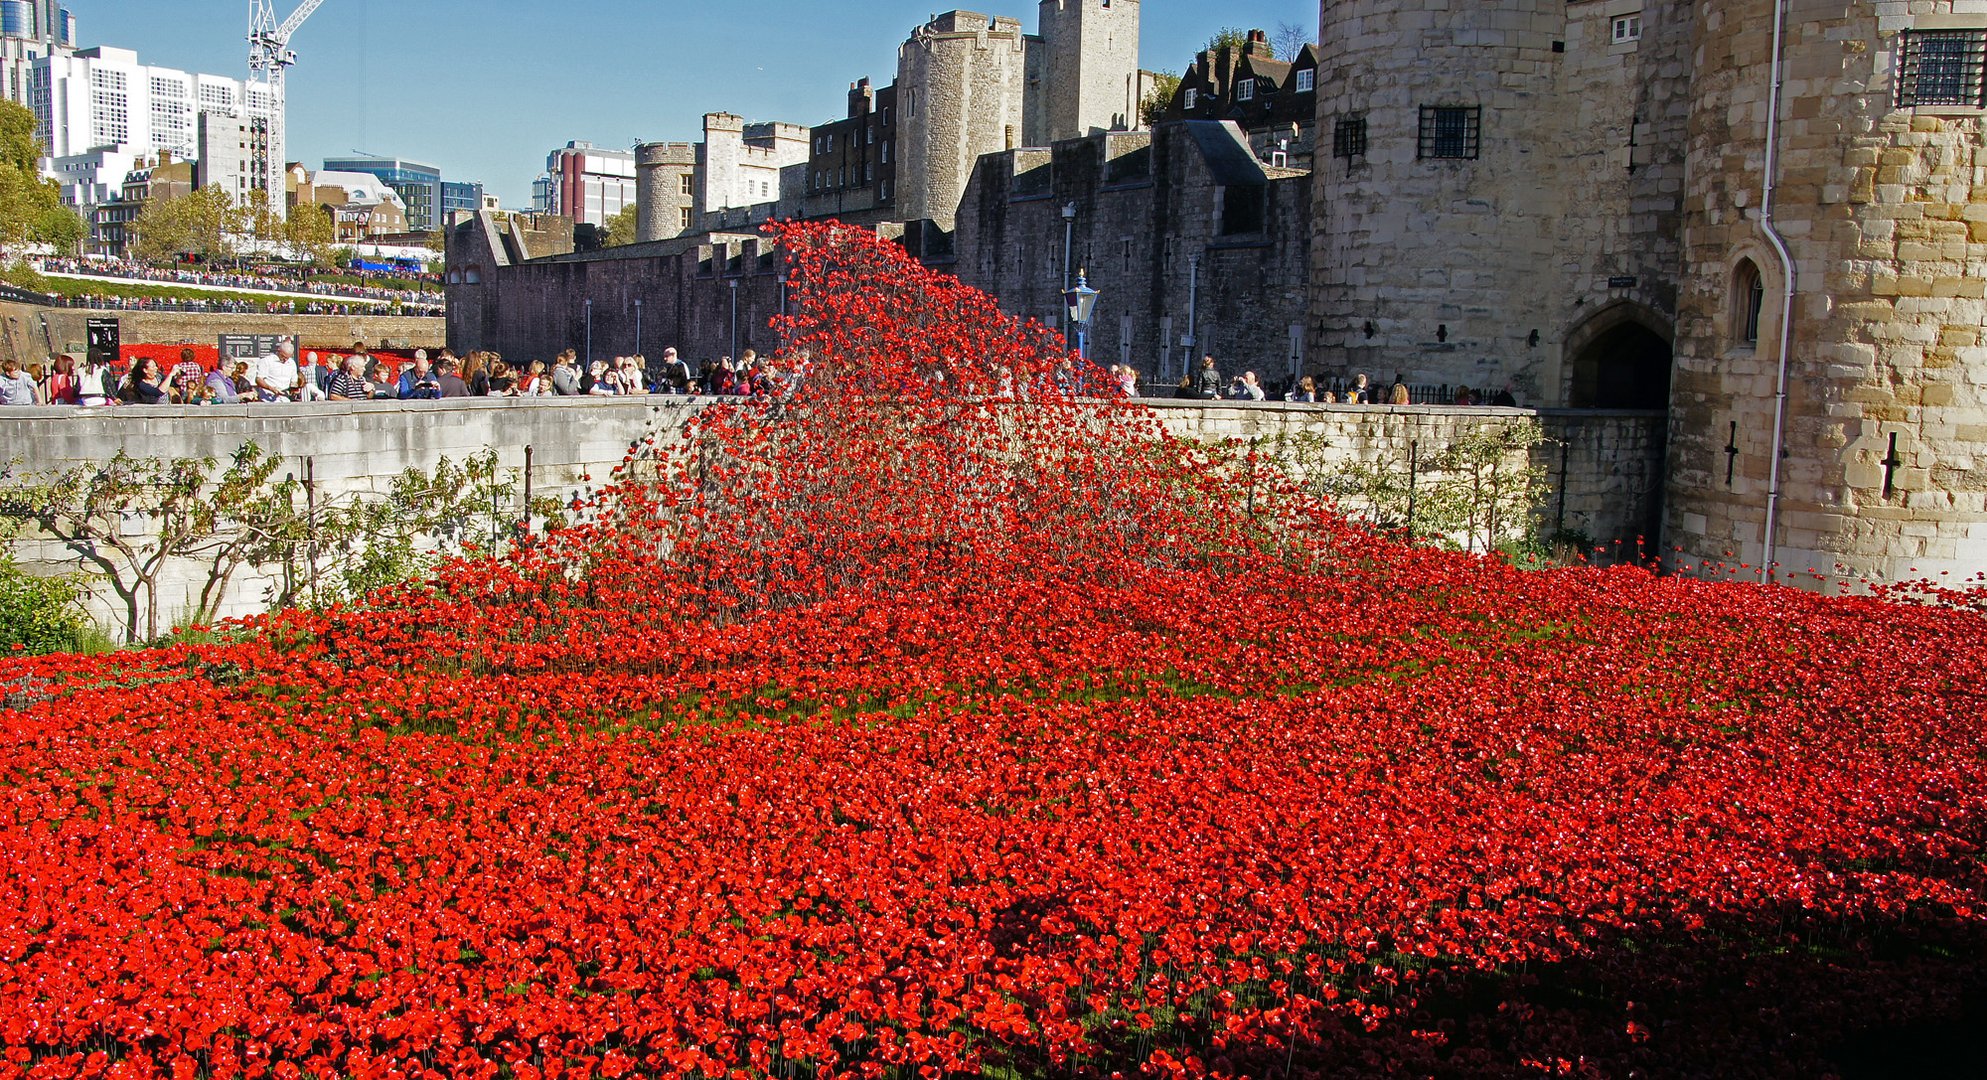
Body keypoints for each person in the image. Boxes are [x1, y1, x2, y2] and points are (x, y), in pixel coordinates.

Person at [254, 338, 301, 402]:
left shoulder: (291, 363)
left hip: (285, 399)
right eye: (283, 356)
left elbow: (294, 381)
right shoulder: (267, 361)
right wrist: (271, 388)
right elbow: (258, 379)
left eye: (287, 358)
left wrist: (294, 389)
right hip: (267, 399)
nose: (285, 360)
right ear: (279, 351)